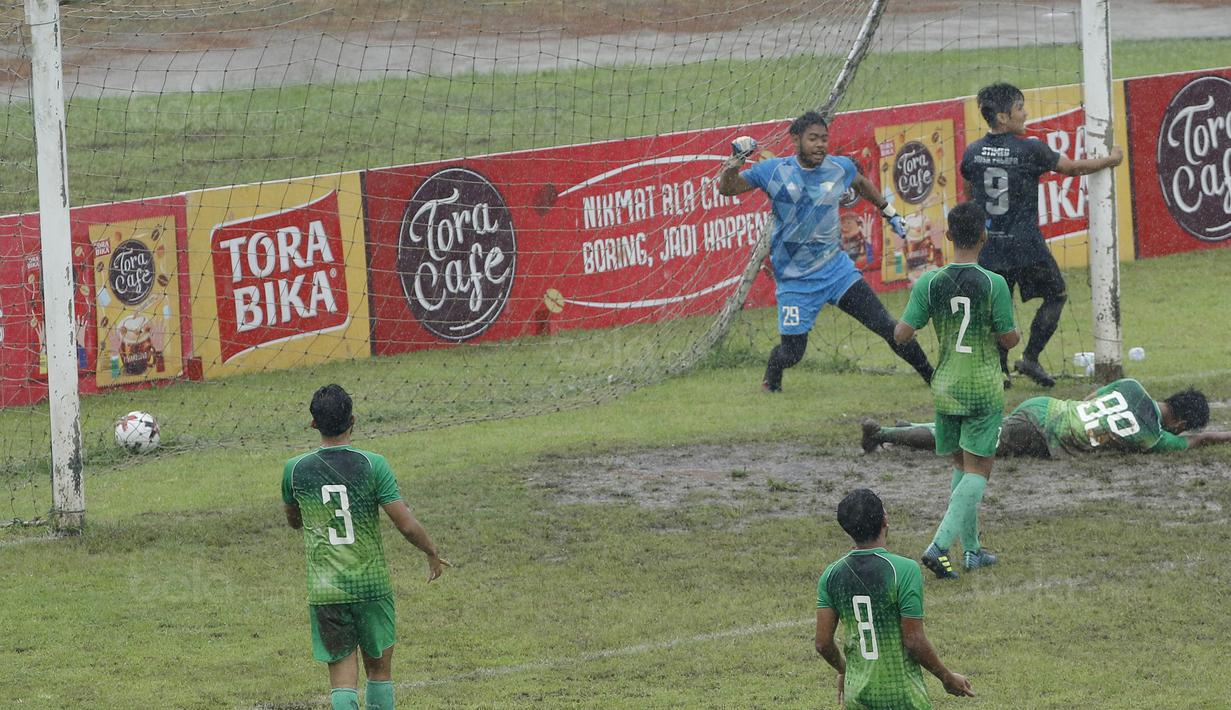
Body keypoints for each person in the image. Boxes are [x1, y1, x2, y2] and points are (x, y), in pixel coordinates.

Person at [718, 111, 934, 392]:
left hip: (836, 271)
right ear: (796, 139)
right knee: (792, 353)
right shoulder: (772, 171)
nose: (820, 145)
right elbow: (727, 188)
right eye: (813, 139)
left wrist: (888, 211)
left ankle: (933, 376)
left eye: (824, 139)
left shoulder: (839, 167)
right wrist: (735, 161)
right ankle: (773, 372)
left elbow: (860, 182)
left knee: (886, 326)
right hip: (796, 282)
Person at [282, 384, 449, 710]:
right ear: (353, 420)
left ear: (313, 424)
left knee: (342, 680)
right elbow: (405, 524)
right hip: (371, 586)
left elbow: (294, 521)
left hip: (326, 591)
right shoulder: (373, 465)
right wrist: (430, 551)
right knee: (379, 673)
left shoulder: (295, 469)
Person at [961, 82, 1124, 388]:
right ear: (1002, 117)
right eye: (1020, 108)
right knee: (1057, 295)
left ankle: (1000, 371)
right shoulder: (1030, 149)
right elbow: (1072, 168)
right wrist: (1110, 160)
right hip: (1026, 246)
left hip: (990, 247)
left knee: (998, 309)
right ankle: (1031, 357)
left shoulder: (973, 152)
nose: (1026, 114)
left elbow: (969, 197)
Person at [893, 202, 1019, 580]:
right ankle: (939, 545)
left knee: (961, 466)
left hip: (945, 387)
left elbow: (901, 335)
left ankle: (974, 551)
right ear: (984, 236)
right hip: (982, 387)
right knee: (980, 469)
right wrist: (1012, 332)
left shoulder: (931, 283)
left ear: (947, 237)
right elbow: (1008, 339)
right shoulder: (993, 283)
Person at [815, 488, 974, 709]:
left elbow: (823, 644)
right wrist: (947, 677)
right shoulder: (904, 570)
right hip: (904, 698)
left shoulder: (831, 575)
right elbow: (913, 641)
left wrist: (844, 670)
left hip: (857, 699)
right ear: (885, 521)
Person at [862, 380, 1226, 458]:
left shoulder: (1131, 386)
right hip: (1043, 434)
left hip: (1045, 407)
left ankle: (907, 428)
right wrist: (1220, 437)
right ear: (1179, 424)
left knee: (976, 430)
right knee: (969, 442)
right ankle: (883, 434)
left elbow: (1088, 398)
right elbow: (1198, 441)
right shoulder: (1152, 438)